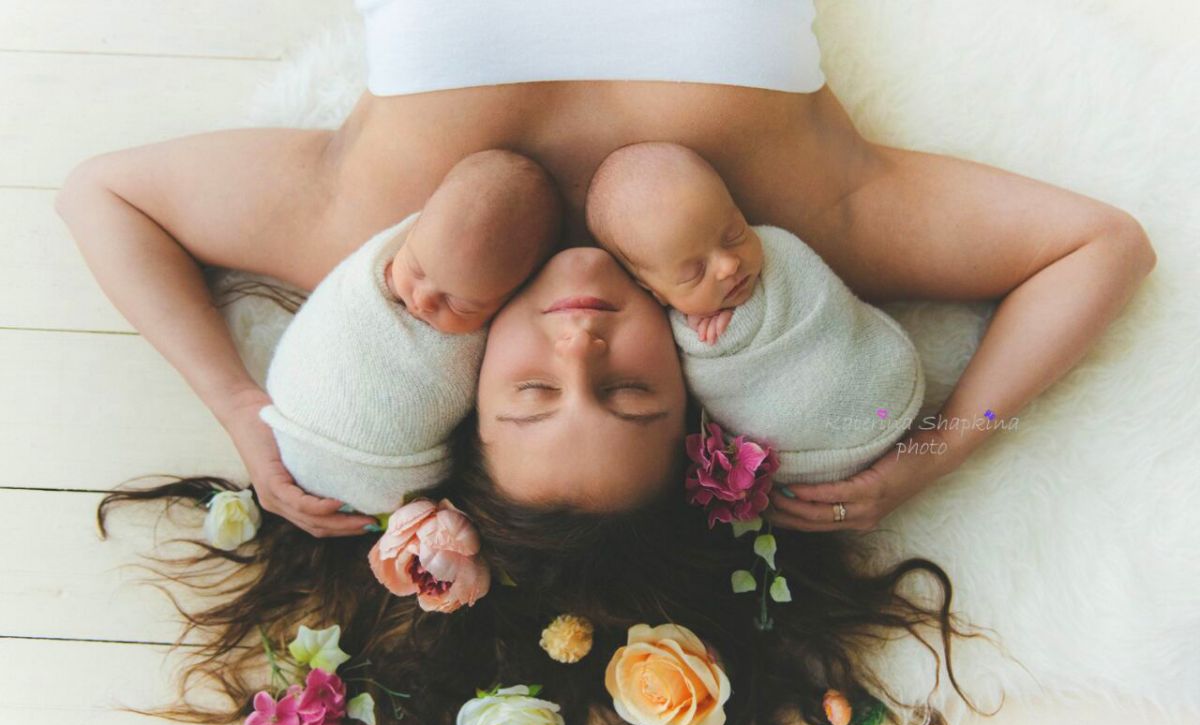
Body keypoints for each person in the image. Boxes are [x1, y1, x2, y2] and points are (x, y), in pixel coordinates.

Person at [55, 0, 1156, 538]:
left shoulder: (379, 229)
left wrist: (241, 406)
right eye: (626, 392)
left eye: (534, 394)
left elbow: (101, 194)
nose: (580, 342)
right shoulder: (781, 223)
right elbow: (1102, 246)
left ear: (466, 395)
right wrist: (932, 450)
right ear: (693, 395)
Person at [585, 141, 926, 488]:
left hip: (874, 374)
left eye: (733, 235)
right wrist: (712, 340)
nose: (728, 265)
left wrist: (741, 315)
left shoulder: (778, 251)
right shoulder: (670, 336)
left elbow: (813, 290)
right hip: (814, 437)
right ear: (654, 291)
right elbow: (705, 385)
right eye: (694, 273)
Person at [260, 149, 562, 514]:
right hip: (292, 417)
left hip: (388, 476)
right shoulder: (376, 267)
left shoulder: (492, 339)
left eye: (458, 304)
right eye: (416, 269)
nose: (421, 301)